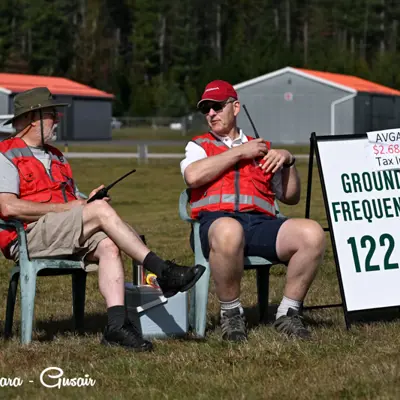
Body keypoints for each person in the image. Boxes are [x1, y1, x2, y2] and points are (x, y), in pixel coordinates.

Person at [0, 87, 205, 352]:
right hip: (28, 236)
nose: (57, 120)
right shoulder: (6, 154)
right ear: (31, 118)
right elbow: (7, 207)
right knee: (99, 213)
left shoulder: (57, 156)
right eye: (52, 114)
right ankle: (162, 272)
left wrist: (87, 202)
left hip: (62, 231)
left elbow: (71, 200)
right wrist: (76, 209)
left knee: (109, 244)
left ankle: (116, 326)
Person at [180, 80, 326, 342]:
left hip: (259, 225)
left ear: (235, 107)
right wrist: (238, 153)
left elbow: (291, 197)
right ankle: (232, 314)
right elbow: (192, 176)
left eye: (217, 107)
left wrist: (288, 161)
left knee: (312, 233)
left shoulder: (262, 149)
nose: (211, 113)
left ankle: (288, 313)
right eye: (206, 109)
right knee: (229, 230)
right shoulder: (199, 146)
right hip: (215, 225)